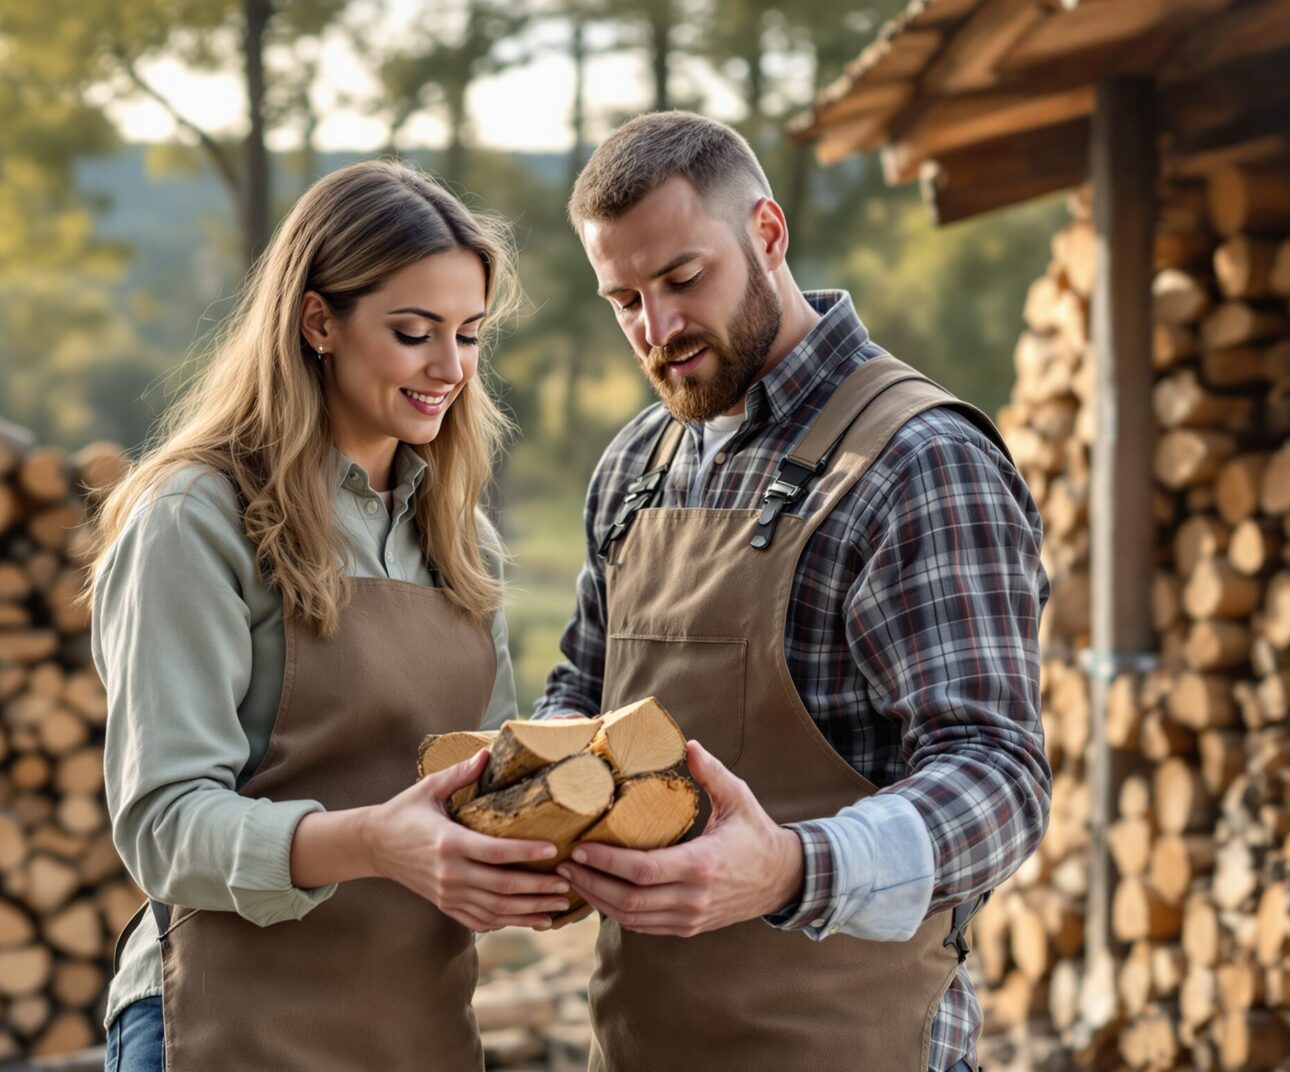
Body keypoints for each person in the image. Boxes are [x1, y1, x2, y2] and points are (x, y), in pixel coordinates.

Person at [535, 111, 1053, 1072]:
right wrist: (538, 812)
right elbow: (579, 689)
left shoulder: (917, 459)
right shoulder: (634, 467)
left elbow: (998, 776)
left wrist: (788, 868)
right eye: (625, 301)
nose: (660, 330)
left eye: (685, 280)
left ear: (767, 235)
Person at [86, 159, 570, 1072]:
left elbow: (479, 794)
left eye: (468, 336)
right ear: (318, 321)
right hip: (228, 1023)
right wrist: (377, 844)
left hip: (415, 1026)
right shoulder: (195, 515)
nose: (450, 368)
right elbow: (165, 826)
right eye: (414, 332)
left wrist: (542, 855)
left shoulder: (460, 536)